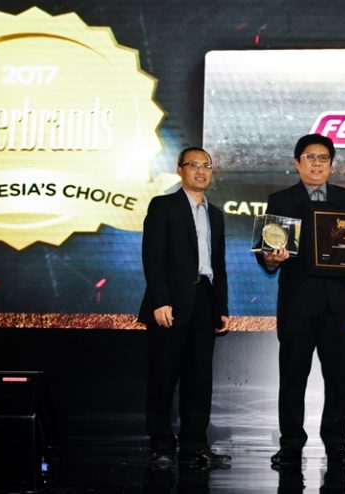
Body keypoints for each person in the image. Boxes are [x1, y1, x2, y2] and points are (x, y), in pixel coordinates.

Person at [257, 133, 345, 470]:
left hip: (337, 305)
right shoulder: (280, 200)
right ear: (297, 163)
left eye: (323, 158)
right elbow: (268, 252)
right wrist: (271, 260)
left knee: (339, 379)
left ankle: (336, 445)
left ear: (331, 164)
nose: (317, 163)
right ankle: (291, 445)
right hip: (297, 305)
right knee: (293, 378)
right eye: (310, 157)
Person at [138, 146, 231, 470]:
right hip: (171, 302)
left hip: (204, 300)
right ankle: (161, 446)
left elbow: (218, 265)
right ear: (180, 170)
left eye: (207, 165)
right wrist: (160, 300)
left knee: (199, 379)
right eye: (194, 165)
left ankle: (194, 446)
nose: (201, 171)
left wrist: (221, 306)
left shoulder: (215, 214)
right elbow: (152, 257)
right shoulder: (163, 206)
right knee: (163, 377)